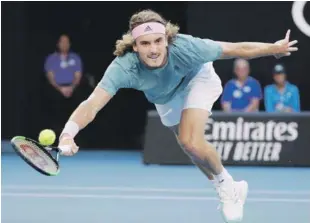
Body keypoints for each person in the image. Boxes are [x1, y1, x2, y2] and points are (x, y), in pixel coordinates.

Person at [57, 10, 298, 223]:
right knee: (188, 148)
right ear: (134, 45)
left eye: (158, 41)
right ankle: (224, 186)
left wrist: (274, 49)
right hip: (166, 97)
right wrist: (68, 133)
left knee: (189, 140)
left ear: (167, 38)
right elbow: (92, 105)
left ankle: (228, 186)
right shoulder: (123, 67)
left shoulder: (186, 47)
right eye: (145, 43)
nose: (153, 49)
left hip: (197, 80)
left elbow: (235, 48)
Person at [43, 34, 83, 136]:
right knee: (53, 104)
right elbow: (50, 76)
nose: (64, 44)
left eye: (67, 42)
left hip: (72, 89)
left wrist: (71, 88)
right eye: (62, 42)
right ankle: (55, 136)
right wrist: (61, 89)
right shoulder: (51, 59)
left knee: (79, 103)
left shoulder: (75, 58)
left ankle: (73, 136)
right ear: (58, 44)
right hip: (57, 88)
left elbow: (78, 76)